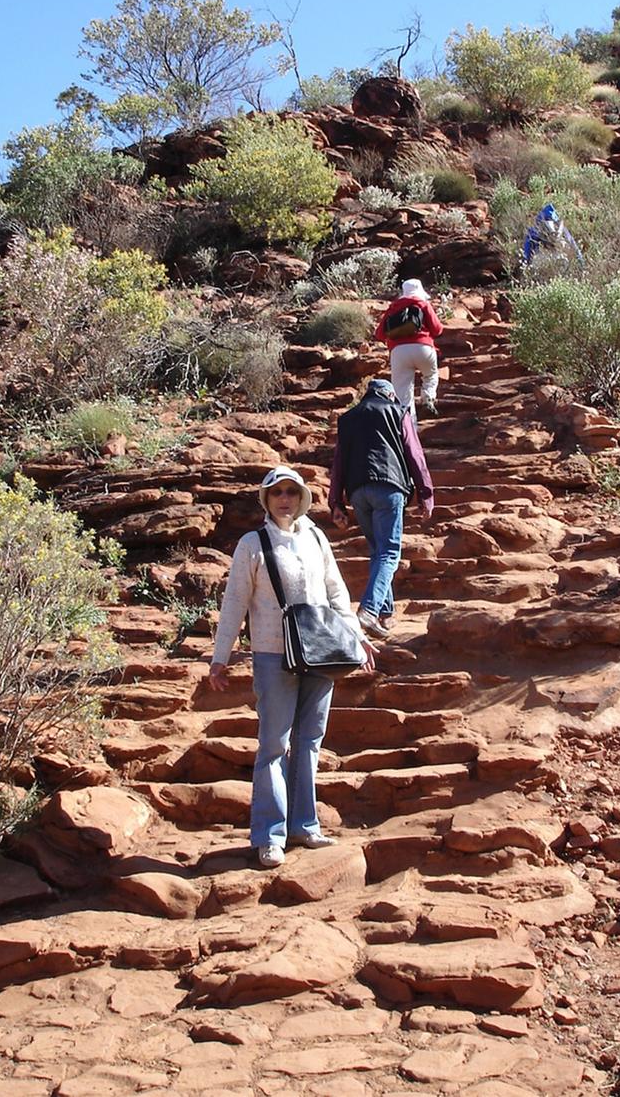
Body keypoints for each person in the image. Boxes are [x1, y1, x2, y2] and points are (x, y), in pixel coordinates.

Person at [207, 465, 375, 870]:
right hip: (272, 654)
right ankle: (269, 835)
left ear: (302, 499)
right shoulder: (252, 543)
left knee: (310, 740)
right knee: (274, 745)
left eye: (292, 492)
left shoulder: (316, 537)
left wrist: (356, 637)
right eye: (278, 492)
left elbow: (336, 591)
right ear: (266, 499)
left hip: (320, 652)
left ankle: (305, 825)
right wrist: (220, 656)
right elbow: (234, 603)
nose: (285, 498)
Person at [329, 379, 433, 640]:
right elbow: (415, 454)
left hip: (358, 492)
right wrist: (426, 493)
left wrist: (336, 503)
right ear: (388, 394)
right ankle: (370, 610)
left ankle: (384, 614)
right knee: (389, 552)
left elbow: (339, 462)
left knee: (378, 551)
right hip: (389, 487)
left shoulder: (348, 418)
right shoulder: (398, 412)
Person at [375, 278, 444, 419]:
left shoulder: (393, 307)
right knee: (430, 375)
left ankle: (408, 430)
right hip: (423, 348)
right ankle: (428, 398)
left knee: (403, 395)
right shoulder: (423, 304)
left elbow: (379, 334)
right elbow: (437, 330)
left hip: (399, 352)